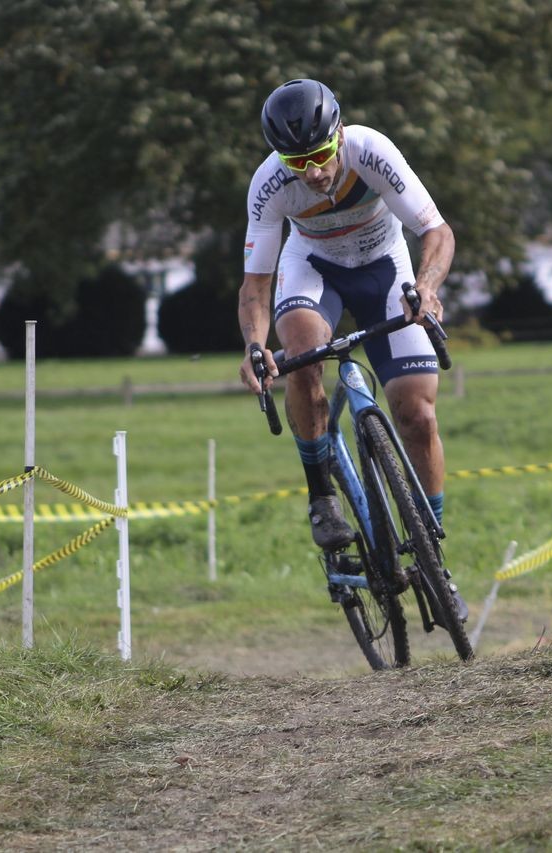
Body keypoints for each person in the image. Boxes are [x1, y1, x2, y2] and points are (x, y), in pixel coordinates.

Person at [237, 78, 467, 622]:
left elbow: (436, 231)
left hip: (386, 269)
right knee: (301, 350)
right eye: (298, 162)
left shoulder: (371, 150)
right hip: (313, 270)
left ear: (339, 133)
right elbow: (255, 285)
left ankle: (433, 553)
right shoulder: (270, 185)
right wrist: (254, 345)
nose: (314, 172)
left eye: (320, 154)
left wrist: (428, 289)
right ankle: (323, 497)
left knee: (417, 413)